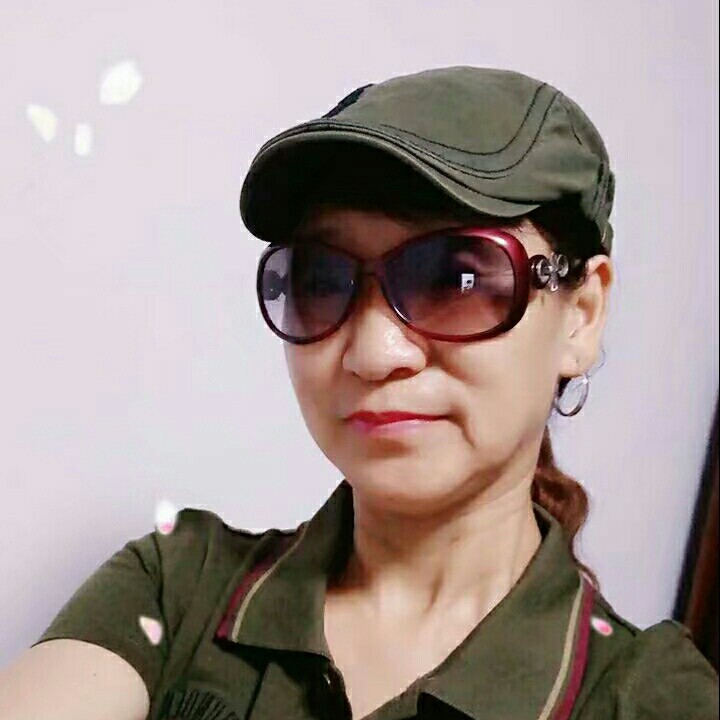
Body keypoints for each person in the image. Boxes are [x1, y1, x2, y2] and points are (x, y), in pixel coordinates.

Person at [1, 66, 717, 720]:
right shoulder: (177, 588)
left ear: (581, 315)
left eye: (456, 278)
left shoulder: (650, 697)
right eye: (319, 279)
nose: (373, 353)